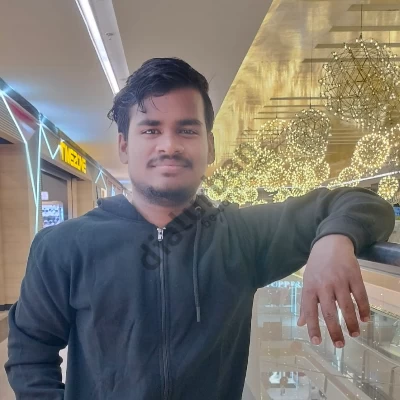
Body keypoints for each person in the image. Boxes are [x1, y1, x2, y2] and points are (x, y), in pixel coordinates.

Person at [5, 58, 395, 400]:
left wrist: (334, 239)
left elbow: (364, 203)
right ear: (124, 146)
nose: (169, 145)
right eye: (151, 130)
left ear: (209, 145)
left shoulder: (242, 235)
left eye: (187, 130)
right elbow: (29, 351)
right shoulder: (65, 246)